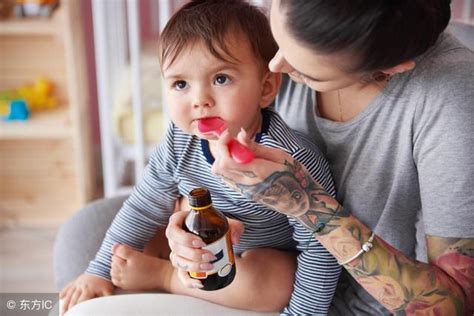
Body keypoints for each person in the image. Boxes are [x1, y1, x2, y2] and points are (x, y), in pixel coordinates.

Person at [166, 0, 474, 315]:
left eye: (306, 73)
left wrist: (310, 205)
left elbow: (453, 306)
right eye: (279, 33)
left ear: (390, 68)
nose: (275, 66)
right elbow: (184, 167)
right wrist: (197, 224)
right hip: (261, 277)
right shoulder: (290, 22)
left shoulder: (452, 101)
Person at [58, 0, 341, 315]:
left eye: (221, 79)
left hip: (255, 260)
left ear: (266, 87)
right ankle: (157, 277)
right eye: (180, 84)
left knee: (275, 277)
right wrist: (98, 270)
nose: (200, 100)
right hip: (200, 250)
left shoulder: (291, 158)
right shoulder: (180, 140)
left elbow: (321, 248)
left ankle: (164, 277)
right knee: (134, 245)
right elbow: (144, 203)